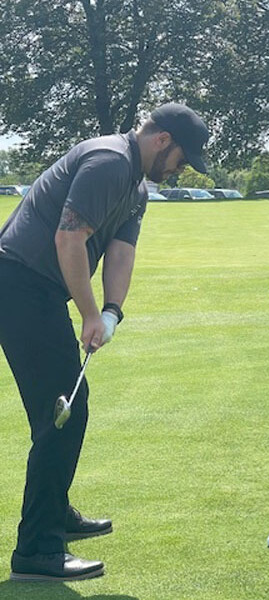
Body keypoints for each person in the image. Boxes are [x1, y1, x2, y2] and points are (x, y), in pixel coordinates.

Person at [0, 103, 209, 582]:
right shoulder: (109, 161)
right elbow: (68, 240)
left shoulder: (136, 185)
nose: (179, 170)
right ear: (162, 140)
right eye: (181, 158)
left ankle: (52, 513)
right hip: (18, 283)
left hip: (38, 290)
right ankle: (36, 550)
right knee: (63, 411)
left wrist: (112, 310)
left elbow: (121, 251)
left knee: (64, 411)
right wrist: (89, 313)